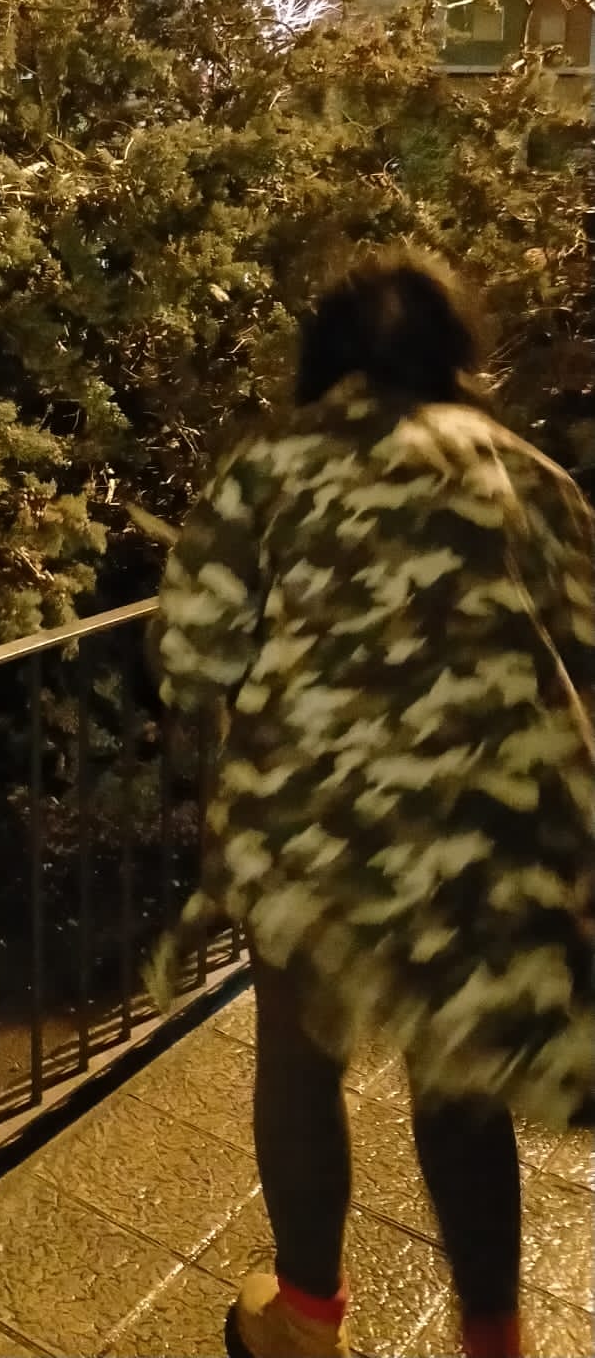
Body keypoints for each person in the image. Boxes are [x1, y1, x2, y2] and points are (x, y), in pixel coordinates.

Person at [149, 249, 595, 1358]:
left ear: (326, 358)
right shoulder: (530, 476)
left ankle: (305, 1316)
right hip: (490, 826)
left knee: (301, 1058)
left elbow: (196, 656)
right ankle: (494, 1336)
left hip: (312, 824)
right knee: (461, 1069)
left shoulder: (271, 464)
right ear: (457, 358)